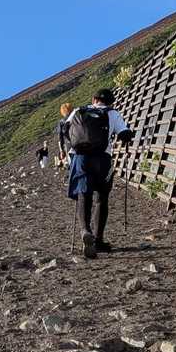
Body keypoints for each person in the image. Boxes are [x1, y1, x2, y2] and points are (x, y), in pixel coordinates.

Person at [62, 89, 132, 258]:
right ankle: (98, 240)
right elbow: (124, 134)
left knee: (83, 194)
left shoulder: (79, 110)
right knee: (102, 198)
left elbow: (65, 129)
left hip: (81, 158)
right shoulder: (112, 113)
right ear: (111, 102)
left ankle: (85, 230)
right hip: (102, 159)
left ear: (94, 99)